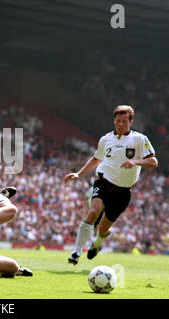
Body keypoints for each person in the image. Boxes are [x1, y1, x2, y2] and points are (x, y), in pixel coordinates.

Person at [64, 105, 158, 265]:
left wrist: (136, 161)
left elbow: (153, 162)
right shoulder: (105, 139)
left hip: (123, 192)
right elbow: (96, 159)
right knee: (93, 211)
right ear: (114, 120)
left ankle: (97, 245)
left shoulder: (140, 139)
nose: (120, 124)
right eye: (118, 121)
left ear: (131, 122)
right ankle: (76, 252)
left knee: (102, 229)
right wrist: (79, 174)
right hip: (104, 182)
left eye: (124, 121)